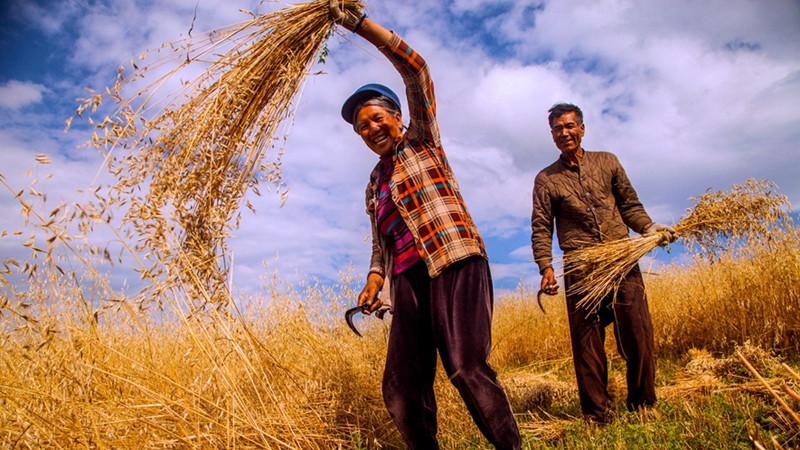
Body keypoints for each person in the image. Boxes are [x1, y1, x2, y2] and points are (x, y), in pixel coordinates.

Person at [329, 1, 522, 448]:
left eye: (378, 118)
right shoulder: (375, 182)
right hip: (408, 280)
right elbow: (382, 243)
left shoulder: (422, 142)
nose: (371, 128)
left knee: (465, 365)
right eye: (362, 127)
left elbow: (416, 70)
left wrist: (357, 23)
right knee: (401, 385)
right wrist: (374, 279)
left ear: (398, 118)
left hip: (453, 260)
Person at [530, 103, 676, 425]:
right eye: (558, 129)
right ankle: (597, 415)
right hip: (582, 267)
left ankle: (643, 403)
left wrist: (649, 228)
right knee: (587, 343)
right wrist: (546, 268)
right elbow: (541, 227)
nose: (565, 133)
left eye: (570, 126)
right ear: (552, 135)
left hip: (620, 259)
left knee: (638, 332)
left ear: (582, 129)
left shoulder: (608, 162)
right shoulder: (546, 180)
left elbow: (629, 204)